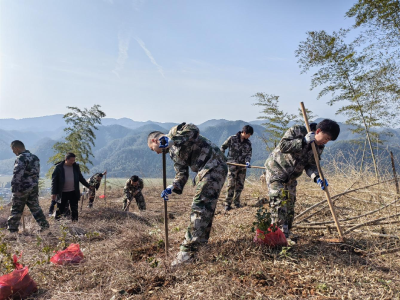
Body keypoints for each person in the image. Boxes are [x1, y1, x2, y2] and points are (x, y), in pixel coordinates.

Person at [148, 123, 228, 266]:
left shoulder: (175, 132)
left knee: (200, 206)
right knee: (206, 209)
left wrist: (172, 140)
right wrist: (172, 187)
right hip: (205, 171)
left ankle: (186, 254)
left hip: (214, 165)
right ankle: (200, 248)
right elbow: (182, 173)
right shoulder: (172, 153)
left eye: (153, 149)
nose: (157, 153)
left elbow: (193, 130)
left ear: (154, 141)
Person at [265, 120, 340, 240]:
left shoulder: (319, 147)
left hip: (291, 177)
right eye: (326, 138)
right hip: (276, 171)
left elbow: (310, 165)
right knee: (279, 202)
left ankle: (286, 233)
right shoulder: (298, 131)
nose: (326, 142)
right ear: (318, 131)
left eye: (328, 140)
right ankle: (278, 238)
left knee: (290, 207)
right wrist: (303, 141)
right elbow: (283, 146)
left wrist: (317, 178)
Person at [7, 140, 49, 234]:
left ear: (16, 148)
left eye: (12, 149)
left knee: (16, 210)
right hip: (33, 188)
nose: (13, 152)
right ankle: (45, 226)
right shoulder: (35, 157)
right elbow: (36, 173)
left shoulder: (21, 158)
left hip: (22, 188)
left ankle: (12, 230)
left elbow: (17, 175)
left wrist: (14, 189)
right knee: (35, 208)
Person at [51, 153, 92, 222]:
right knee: (60, 209)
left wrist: (88, 186)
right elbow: (54, 181)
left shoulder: (76, 166)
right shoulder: (58, 168)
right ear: (66, 159)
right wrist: (53, 193)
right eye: (71, 160)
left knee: (74, 209)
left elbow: (80, 178)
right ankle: (57, 223)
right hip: (62, 192)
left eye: (74, 160)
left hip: (73, 191)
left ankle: (75, 223)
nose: (73, 162)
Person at [220, 125, 253, 210]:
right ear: (244, 132)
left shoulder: (248, 143)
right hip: (232, 165)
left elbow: (249, 154)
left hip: (242, 167)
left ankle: (237, 203)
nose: (249, 136)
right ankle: (227, 203)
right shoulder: (232, 139)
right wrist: (222, 157)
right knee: (231, 184)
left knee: (240, 185)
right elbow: (223, 147)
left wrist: (247, 161)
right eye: (249, 134)